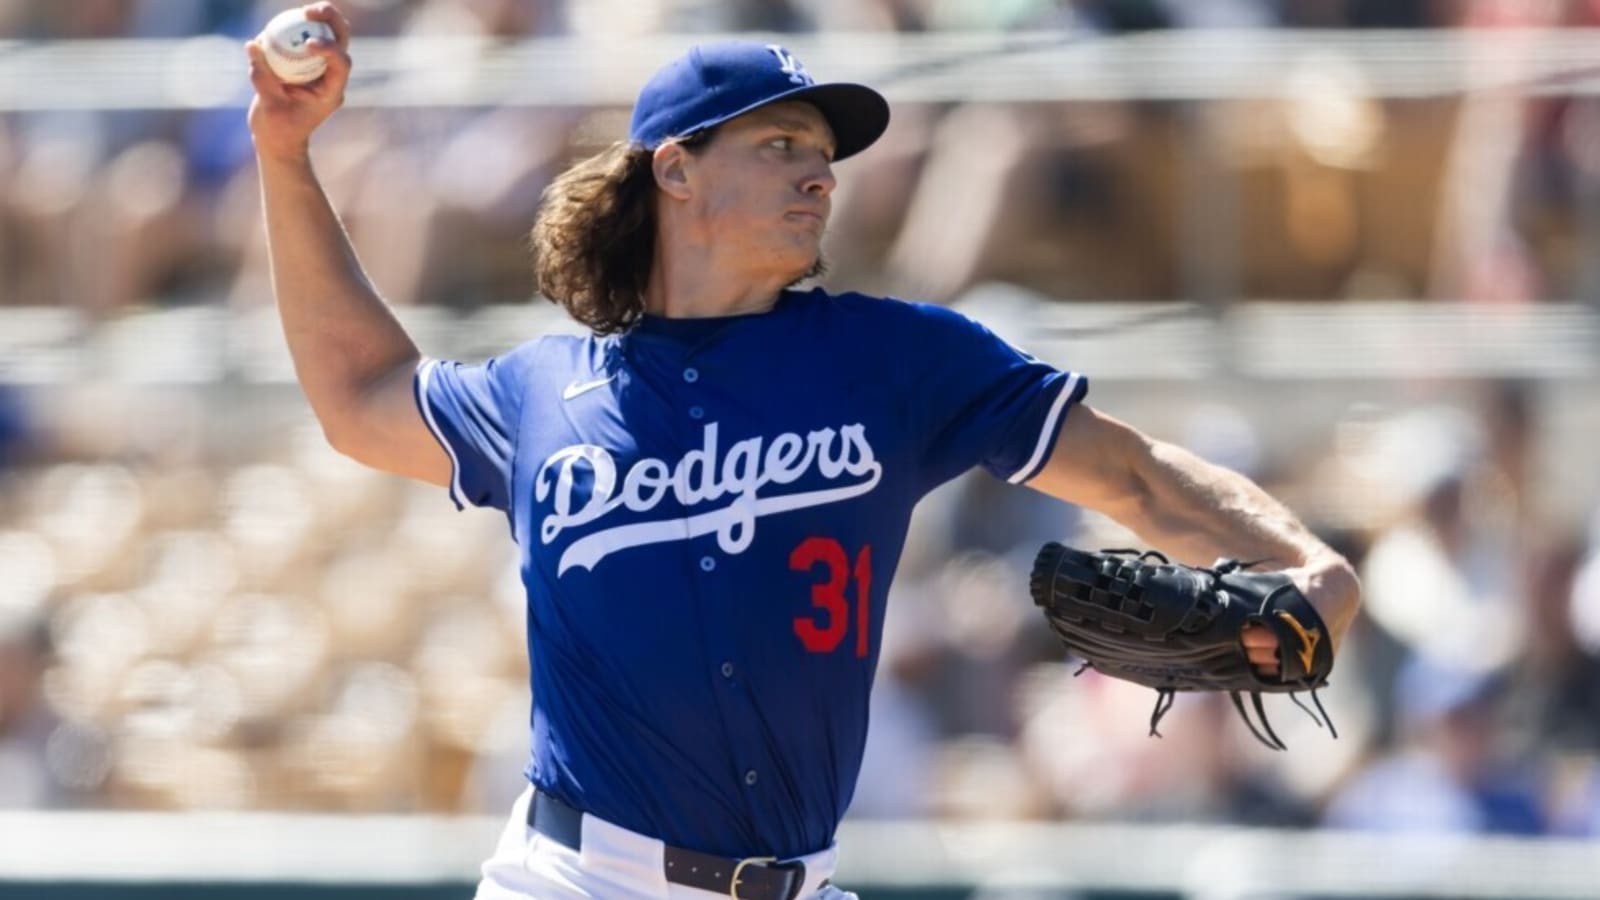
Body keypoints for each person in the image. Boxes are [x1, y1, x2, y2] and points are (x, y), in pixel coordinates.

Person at [244, 6, 1362, 898]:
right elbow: (356, 396)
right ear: (673, 170)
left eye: (824, 154)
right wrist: (285, 155)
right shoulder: (542, 390)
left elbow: (1133, 475)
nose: (818, 174)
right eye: (779, 144)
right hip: (576, 880)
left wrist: (1309, 562)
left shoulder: (895, 359)